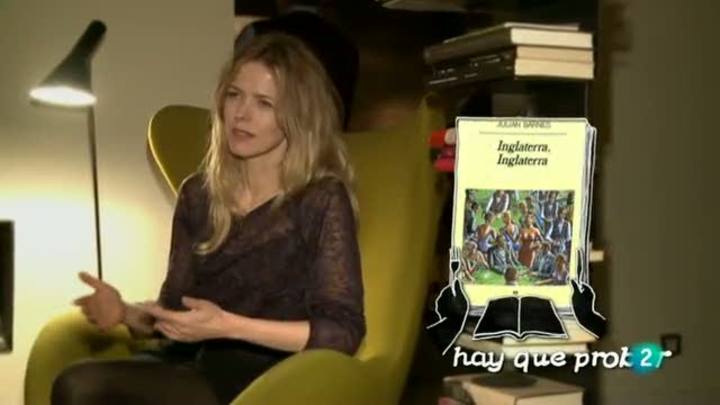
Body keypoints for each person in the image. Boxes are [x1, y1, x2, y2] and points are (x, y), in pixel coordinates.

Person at [52, 33, 365, 405]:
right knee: (79, 383)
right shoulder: (198, 194)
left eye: (264, 103)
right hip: (189, 366)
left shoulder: (321, 199)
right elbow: (174, 316)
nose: (241, 114)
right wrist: (125, 313)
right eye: (234, 95)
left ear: (297, 117)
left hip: (268, 380)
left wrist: (229, 327)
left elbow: (342, 333)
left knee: (81, 387)